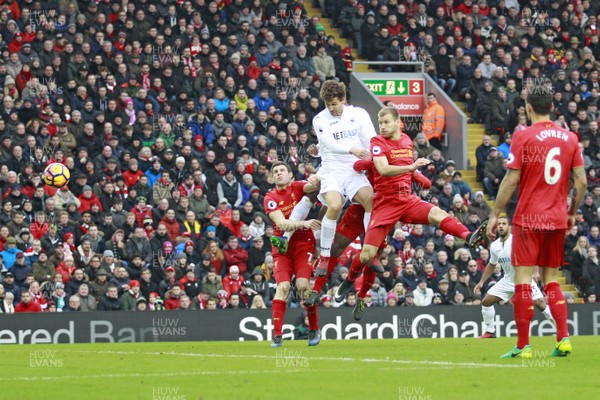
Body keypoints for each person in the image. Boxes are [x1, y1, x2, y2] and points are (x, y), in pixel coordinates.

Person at [334, 107, 487, 321]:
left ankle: (468, 236)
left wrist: (417, 176)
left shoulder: (407, 140)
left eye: (387, 122)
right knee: (368, 255)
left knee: (437, 213)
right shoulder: (377, 142)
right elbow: (385, 169)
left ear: (398, 122)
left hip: (406, 200)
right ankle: (349, 281)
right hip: (384, 205)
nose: (383, 126)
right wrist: (412, 168)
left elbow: (406, 167)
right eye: (381, 123)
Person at [486, 85, 587, 359]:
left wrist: (495, 214)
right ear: (552, 108)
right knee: (551, 280)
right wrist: (571, 211)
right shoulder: (570, 138)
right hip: (556, 219)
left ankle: (523, 346)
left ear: (528, 108)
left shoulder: (523, 136)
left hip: (528, 219)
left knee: (522, 281)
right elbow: (581, 181)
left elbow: (510, 179)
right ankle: (564, 339)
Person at [306, 80, 375, 273]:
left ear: (343, 99)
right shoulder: (320, 119)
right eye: (327, 104)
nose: (331, 108)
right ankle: (325, 256)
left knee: (370, 200)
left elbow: (370, 138)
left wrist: (373, 156)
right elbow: (329, 143)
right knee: (335, 205)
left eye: (334, 104)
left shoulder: (359, 114)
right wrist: (353, 149)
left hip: (354, 169)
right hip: (332, 169)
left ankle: (371, 248)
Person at [263, 162, 321, 347]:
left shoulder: (298, 187)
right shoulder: (270, 197)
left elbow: (316, 185)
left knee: (303, 285)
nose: (279, 174)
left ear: (290, 175)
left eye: (282, 171)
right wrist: (304, 224)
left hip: (304, 245)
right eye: (275, 172)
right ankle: (277, 335)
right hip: (282, 248)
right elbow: (282, 224)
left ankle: (314, 328)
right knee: (283, 287)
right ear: (272, 177)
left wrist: (315, 177)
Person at [475, 217, 554, 338]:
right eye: (499, 224)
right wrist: (481, 282)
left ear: (510, 227)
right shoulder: (495, 246)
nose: (501, 226)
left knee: (541, 304)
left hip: (524, 279)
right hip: (507, 280)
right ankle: (490, 331)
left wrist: (536, 272)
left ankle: (562, 331)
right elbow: (491, 264)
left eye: (504, 224)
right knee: (486, 302)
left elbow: (533, 254)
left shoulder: (518, 241)